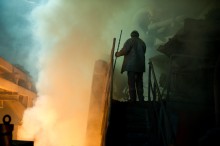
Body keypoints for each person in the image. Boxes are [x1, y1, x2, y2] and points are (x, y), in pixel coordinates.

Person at [115, 30, 146, 102]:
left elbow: (124, 50)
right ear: (137, 35)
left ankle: (133, 100)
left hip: (131, 66)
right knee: (139, 83)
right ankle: (141, 99)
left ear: (131, 35)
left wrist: (117, 54)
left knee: (131, 83)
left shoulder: (130, 41)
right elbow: (143, 52)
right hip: (140, 67)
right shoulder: (142, 43)